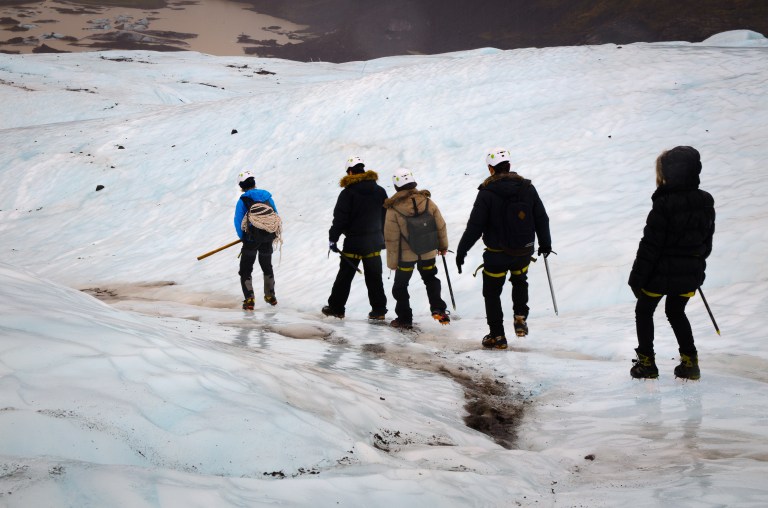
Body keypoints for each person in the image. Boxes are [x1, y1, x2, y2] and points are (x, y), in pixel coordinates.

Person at [628, 146, 715, 380]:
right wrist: (694, 266)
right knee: (676, 312)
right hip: (690, 273)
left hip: (659, 274)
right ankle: (690, 363)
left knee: (644, 311)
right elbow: (706, 243)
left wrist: (637, 279)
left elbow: (650, 246)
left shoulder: (664, 203)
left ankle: (647, 363)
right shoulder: (706, 200)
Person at [456, 148, 552, 349]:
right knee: (519, 280)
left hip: (497, 254)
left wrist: (462, 250)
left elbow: (475, 226)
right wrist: (545, 244)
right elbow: (541, 217)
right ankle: (520, 316)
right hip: (523, 251)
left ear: (491, 169)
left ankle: (497, 336)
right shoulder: (527, 188)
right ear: (509, 166)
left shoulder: (487, 193)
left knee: (492, 293)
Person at [383, 168, 450, 329]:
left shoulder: (393, 209)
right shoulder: (427, 201)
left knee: (400, 286)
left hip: (406, 258)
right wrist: (443, 246)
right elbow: (440, 225)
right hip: (428, 251)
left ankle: (404, 318)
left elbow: (391, 239)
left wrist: (392, 263)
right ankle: (438, 308)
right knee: (431, 278)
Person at [322, 156, 388, 320]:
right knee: (374, 276)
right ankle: (379, 310)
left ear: (350, 172)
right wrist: (384, 238)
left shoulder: (347, 193)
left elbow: (340, 218)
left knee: (345, 276)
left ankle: (336, 308)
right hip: (374, 242)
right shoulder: (380, 191)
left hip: (354, 242)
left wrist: (333, 238)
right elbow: (386, 216)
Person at [234, 170, 281, 310]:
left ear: (241, 186)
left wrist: (243, 237)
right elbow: (275, 214)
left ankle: (249, 299)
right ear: (254, 183)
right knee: (267, 266)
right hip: (267, 236)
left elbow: (238, 220)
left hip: (251, 238)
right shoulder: (267, 197)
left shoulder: (243, 200)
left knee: (246, 269)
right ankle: (270, 296)